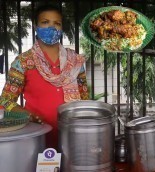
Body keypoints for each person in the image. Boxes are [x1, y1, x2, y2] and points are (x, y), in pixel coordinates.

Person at [0, 4, 89, 149]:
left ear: (61, 28)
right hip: (37, 139)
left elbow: (84, 99)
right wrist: (26, 115)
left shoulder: (75, 61)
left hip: (73, 138)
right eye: (45, 22)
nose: (51, 28)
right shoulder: (23, 62)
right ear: (36, 26)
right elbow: (5, 100)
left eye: (57, 23)